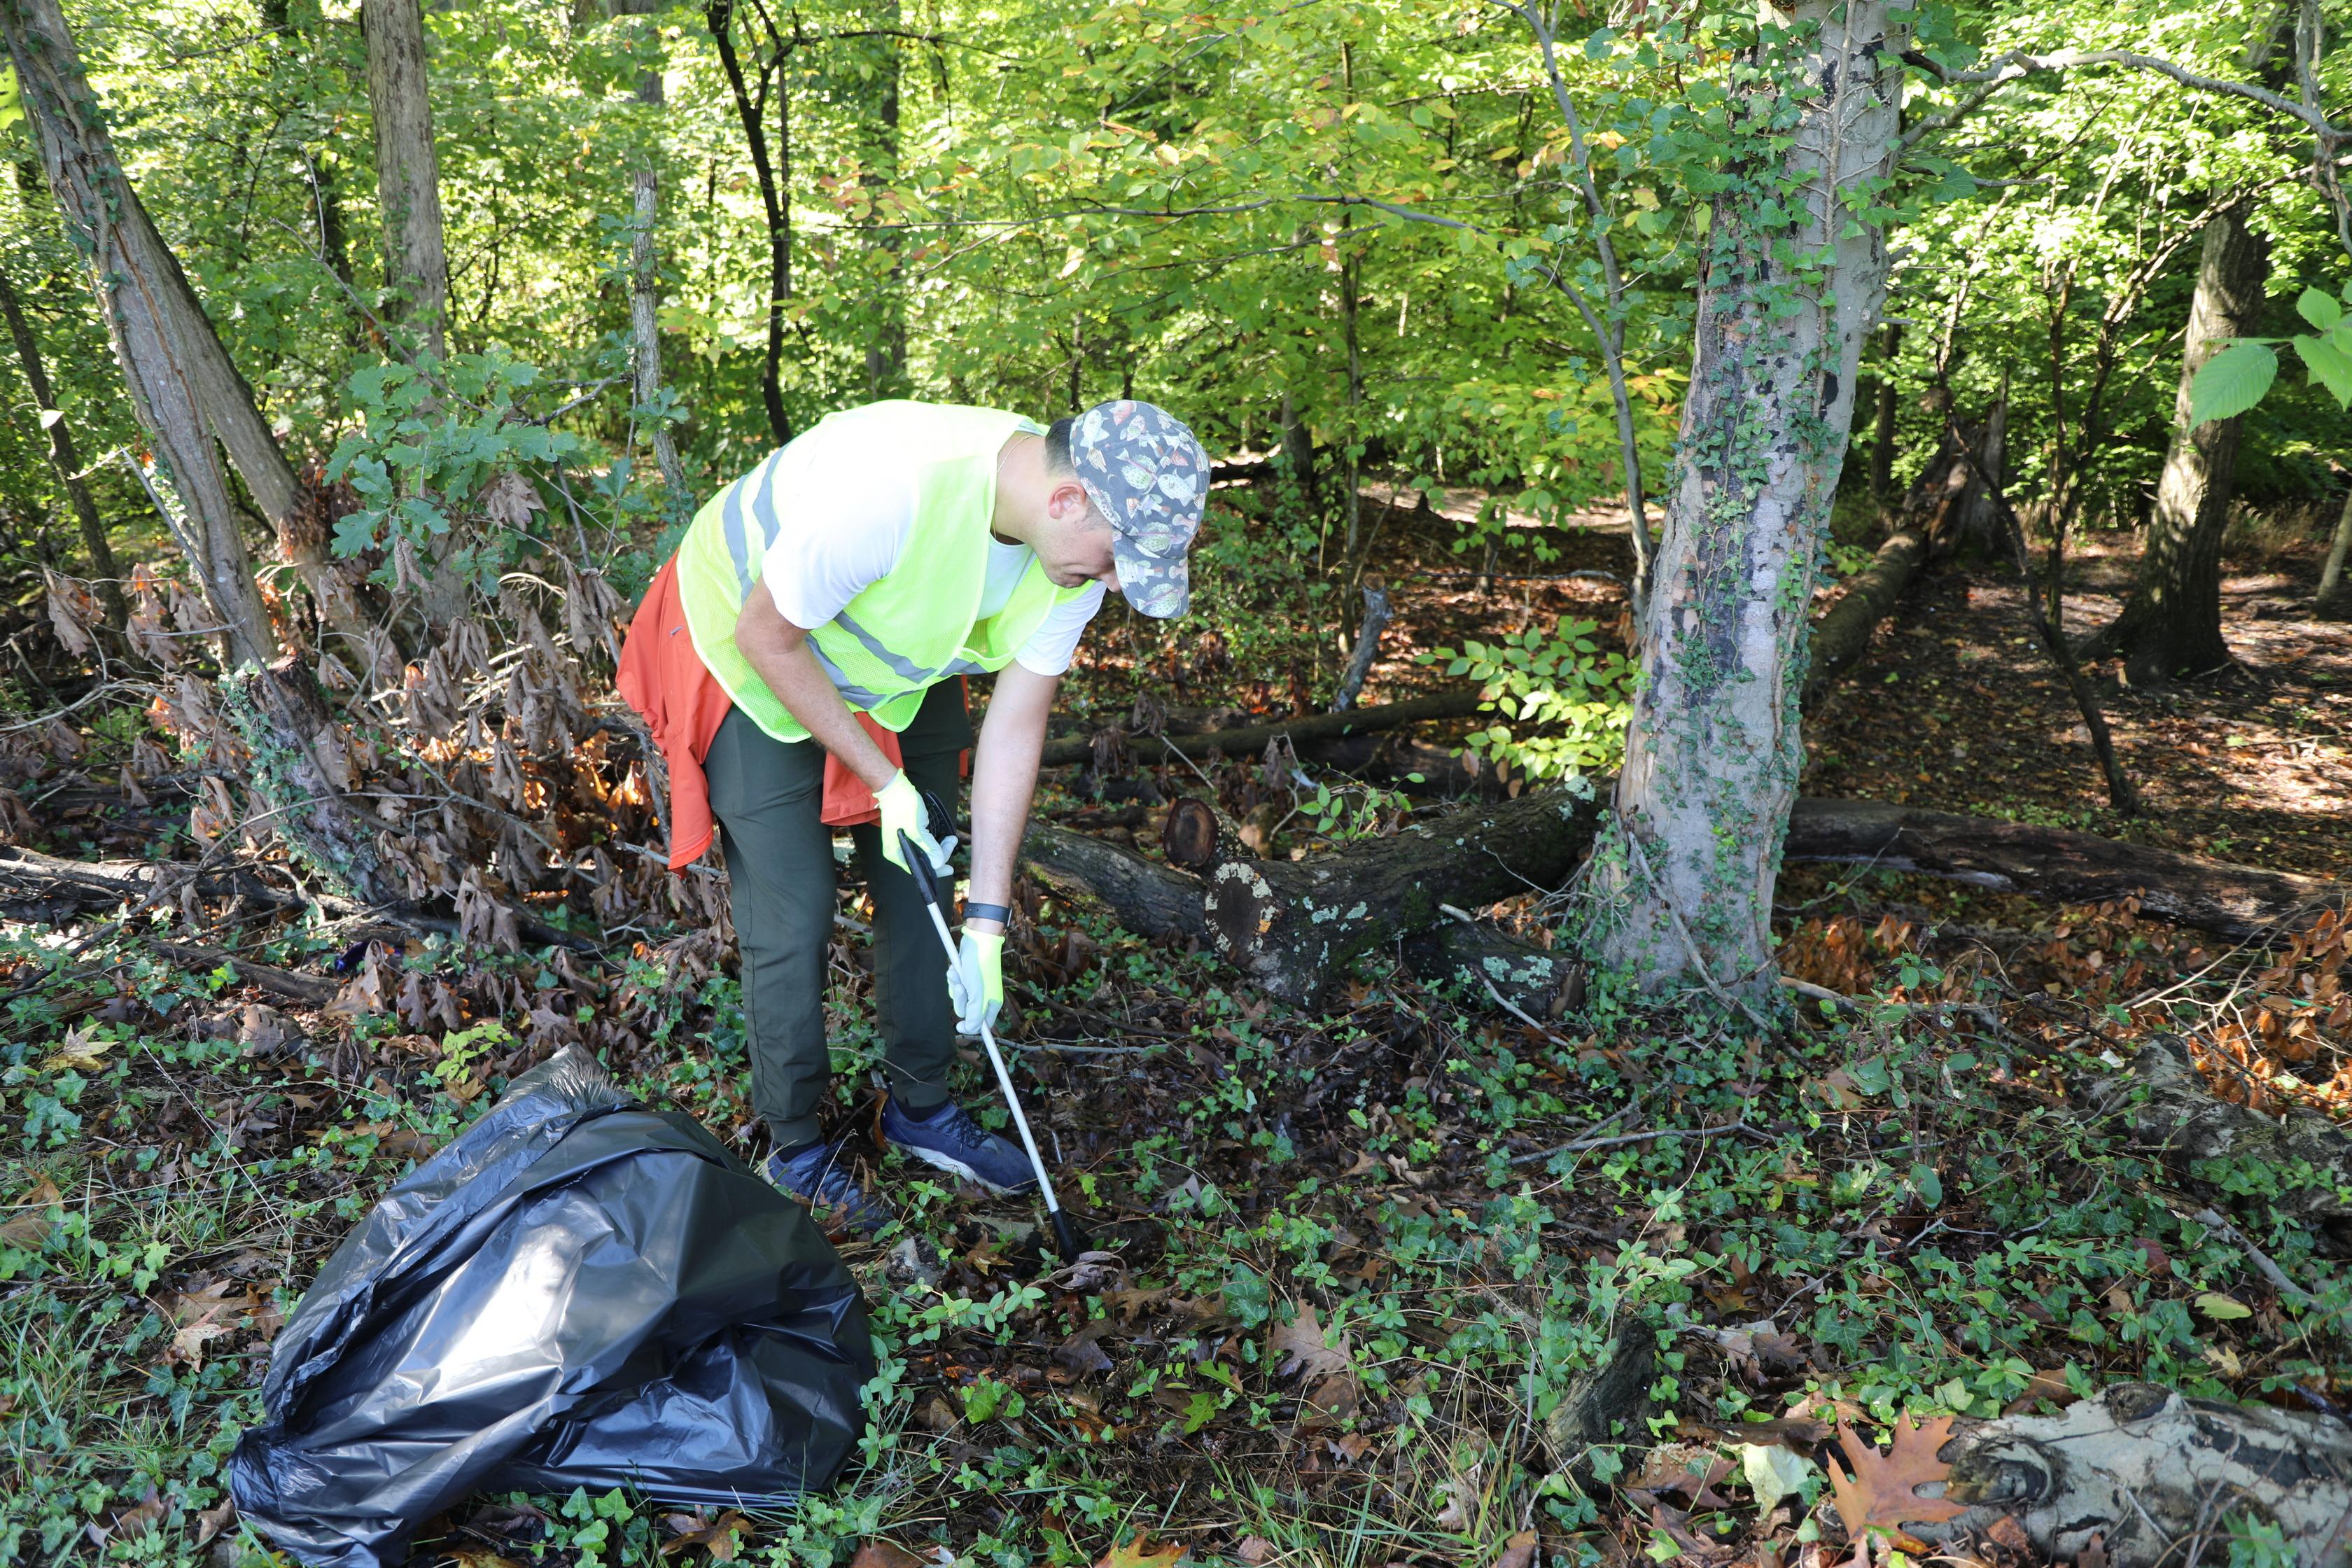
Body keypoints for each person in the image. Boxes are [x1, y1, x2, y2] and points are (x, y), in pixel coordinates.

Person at [619, 398, 1209, 1231]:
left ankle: (920, 1107)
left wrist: (989, 924)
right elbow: (767, 635)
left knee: (922, 868)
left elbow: (1014, 727)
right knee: (794, 908)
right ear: (1069, 499)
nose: (1115, 582)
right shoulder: (893, 491)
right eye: (1117, 558)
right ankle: (793, 1143)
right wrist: (878, 779)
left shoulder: (1067, 558)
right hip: (747, 639)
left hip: (893, 654)